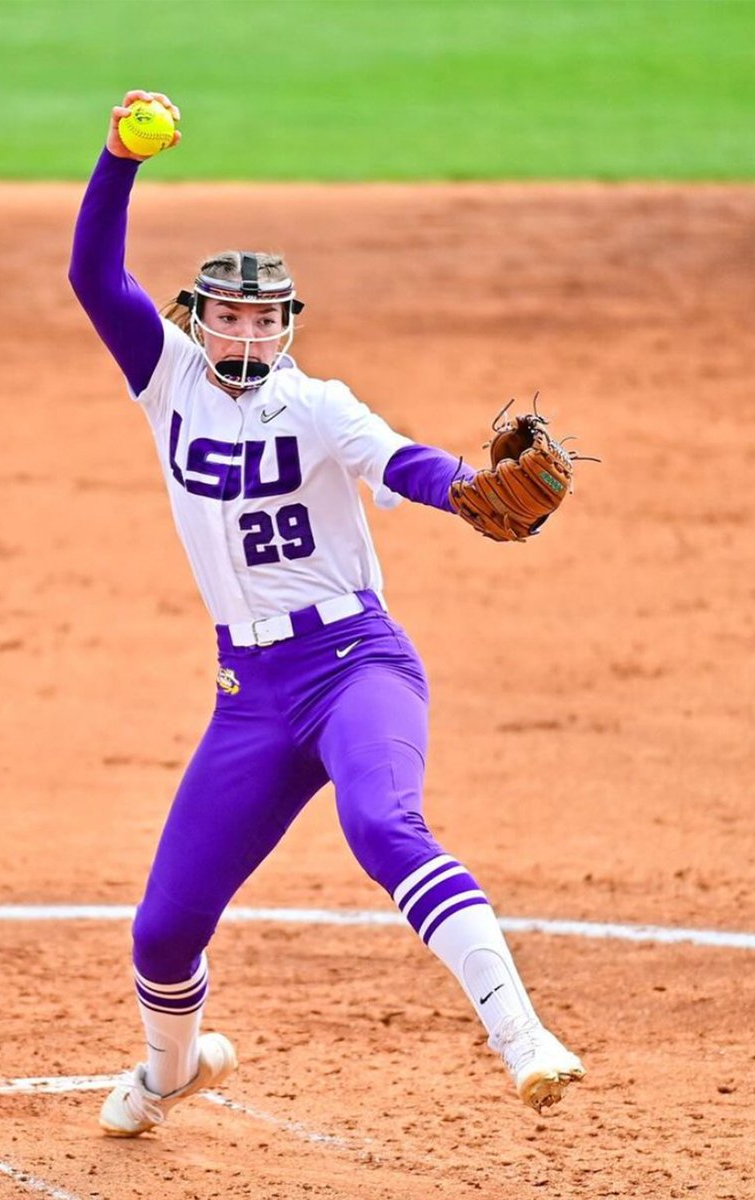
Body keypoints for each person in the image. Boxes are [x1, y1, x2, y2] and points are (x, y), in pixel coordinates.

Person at [69, 90, 585, 1137]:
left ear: (289, 324)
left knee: (382, 824)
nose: (247, 331)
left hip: (356, 665)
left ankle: (523, 1037)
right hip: (247, 698)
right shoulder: (164, 380)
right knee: (164, 933)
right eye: (229, 315)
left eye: (266, 317)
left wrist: (463, 488)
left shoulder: (318, 403)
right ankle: (171, 1072)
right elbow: (92, 275)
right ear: (195, 319)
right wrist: (118, 156)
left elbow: (402, 463)